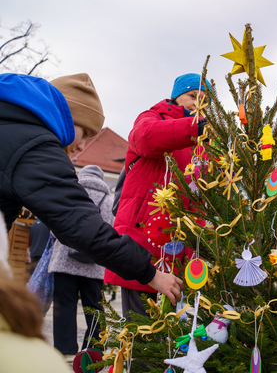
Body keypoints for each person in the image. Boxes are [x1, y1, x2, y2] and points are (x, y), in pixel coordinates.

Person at [0, 73, 183, 307]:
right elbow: (82, 226)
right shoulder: (34, 147)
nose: (81, 146)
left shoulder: (11, 125)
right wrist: (151, 274)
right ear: (63, 115)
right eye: (84, 132)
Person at [105, 73, 209, 317]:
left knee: (177, 327)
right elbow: (145, 138)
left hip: (184, 241)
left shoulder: (205, 137)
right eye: (193, 96)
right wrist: (193, 128)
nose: (198, 104)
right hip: (145, 235)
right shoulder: (152, 116)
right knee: (142, 325)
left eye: (205, 100)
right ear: (176, 96)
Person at [48, 164, 112, 360]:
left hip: (64, 260)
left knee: (64, 304)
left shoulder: (70, 191)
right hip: (94, 264)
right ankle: (93, 350)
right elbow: (111, 229)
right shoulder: (108, 200)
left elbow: (54, 223)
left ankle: (65, 349)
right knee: (95, 308)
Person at [0, 211, 71, 373]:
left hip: (34, 255)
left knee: (35, 282)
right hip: (46, 256)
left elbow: (29, 243)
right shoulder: (45, 360)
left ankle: (36, 300)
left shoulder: (33, 226)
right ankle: (39, 304)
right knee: (44, 285)